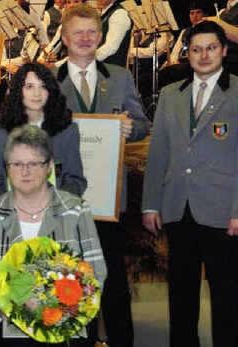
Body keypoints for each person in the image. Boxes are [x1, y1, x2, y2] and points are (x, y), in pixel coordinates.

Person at [55, 5, 151, 347]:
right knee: (71, 279)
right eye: (77, 33)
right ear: (65, 39)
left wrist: (130, 127)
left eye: (91, 32)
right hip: (64, 199)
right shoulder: (50, 79)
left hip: (109, 197)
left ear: (100, 36)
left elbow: (143, 124)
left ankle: (121, 341)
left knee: (113, 280)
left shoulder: (120, 77)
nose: (85, 38)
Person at [142, 20, 238, 347]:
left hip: (223, 210)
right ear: (188, 54)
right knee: (180, 292)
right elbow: (158, 154)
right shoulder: (171, 94)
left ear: (224, 50)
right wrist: (151, 203)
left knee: (227, 293)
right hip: (177, 207)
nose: (204, 55)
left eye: (211, 48)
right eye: (196, 49)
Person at [0, 125, 106, 347]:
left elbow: (96, 273)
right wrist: (12, 307)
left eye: (34, 163)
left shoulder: (75, 209)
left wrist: (63, 308)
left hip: (68, 325)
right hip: (9, 325)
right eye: (16, 164)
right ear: (7, 168)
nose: (25, 172)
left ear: (49, 167)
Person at [0, 62, 86, 201]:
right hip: (12, 214)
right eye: (29, 87)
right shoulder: (1, 132)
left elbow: (75, 180)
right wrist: (10, 211)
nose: (37, 93)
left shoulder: (68, 130)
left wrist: (55, 209)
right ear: (18, 91)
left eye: (43, 87)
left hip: (56, 213)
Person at [94, 0, 132, 67]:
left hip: (113, 71)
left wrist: (87, 59)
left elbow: (111, 47)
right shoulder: (106, 13)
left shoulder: (119, 14)